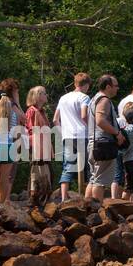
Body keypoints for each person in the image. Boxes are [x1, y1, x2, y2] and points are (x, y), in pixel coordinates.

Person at [54, 73, 92, 202]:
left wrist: (62, 132)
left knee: (68, 167)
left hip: (68, 136)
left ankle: (64, 198)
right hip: (83, 134)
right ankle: (86, 197)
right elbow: (83, 115)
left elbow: (55, 119)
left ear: (75, 83)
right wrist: (92, 128)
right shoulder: (84, 97)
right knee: (88, 166)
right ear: (86, 85)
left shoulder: (63, 98)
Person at [88, 75, 125, 201]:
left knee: (94, 178)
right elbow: (100, 121)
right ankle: (97, 210)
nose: (117, 88)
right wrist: (117, 133)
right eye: (115, 86)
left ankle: (87, 209)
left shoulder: (94, 99)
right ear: (108, 86)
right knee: (101, 181)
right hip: (103, 144)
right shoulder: (104, 100)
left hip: (95, 143)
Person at [24, 86, 53, 205]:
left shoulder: (42, 111)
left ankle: (42, 201)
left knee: (46, 173)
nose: (46, 95)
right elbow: (30, 130)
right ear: (38, 96)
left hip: (44, 148)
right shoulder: (32, 110)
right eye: (44, 93)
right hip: (37, 148)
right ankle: (33, 200)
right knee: (36, 173)